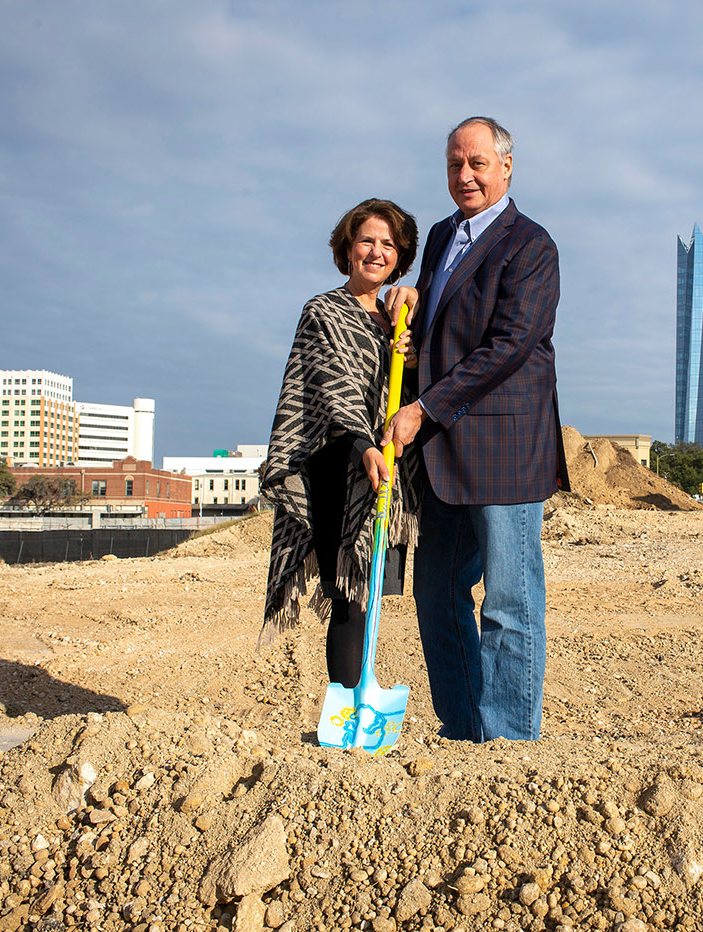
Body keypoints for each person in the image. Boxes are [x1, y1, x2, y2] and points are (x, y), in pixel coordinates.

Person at [382, 116, 568, 742]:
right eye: (455, 164)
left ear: (506, 167)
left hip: (504, 450)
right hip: (443, 454)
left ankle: (509, 740)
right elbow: (445, 320)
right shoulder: (440, 236)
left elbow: (510, 344)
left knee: (509, 604)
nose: (465, 175)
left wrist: (424, 408)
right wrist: (414, 302)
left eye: (478, 163)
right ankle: (465, 729)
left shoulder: (531, 246)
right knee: (437, 595)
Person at [258, 198, 420, 690]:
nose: (376, 251)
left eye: (388, 244)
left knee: (372, 592)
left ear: (400, 256)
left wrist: (412, 361)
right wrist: (360, 445)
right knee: (349, 595)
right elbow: (329, 388)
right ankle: (348, 703)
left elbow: (414, 394)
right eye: (367, 240)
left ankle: (362, 697)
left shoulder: (403, 321)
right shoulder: (323, 312)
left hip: (390, 476)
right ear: (347, 249)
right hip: (336, 470)